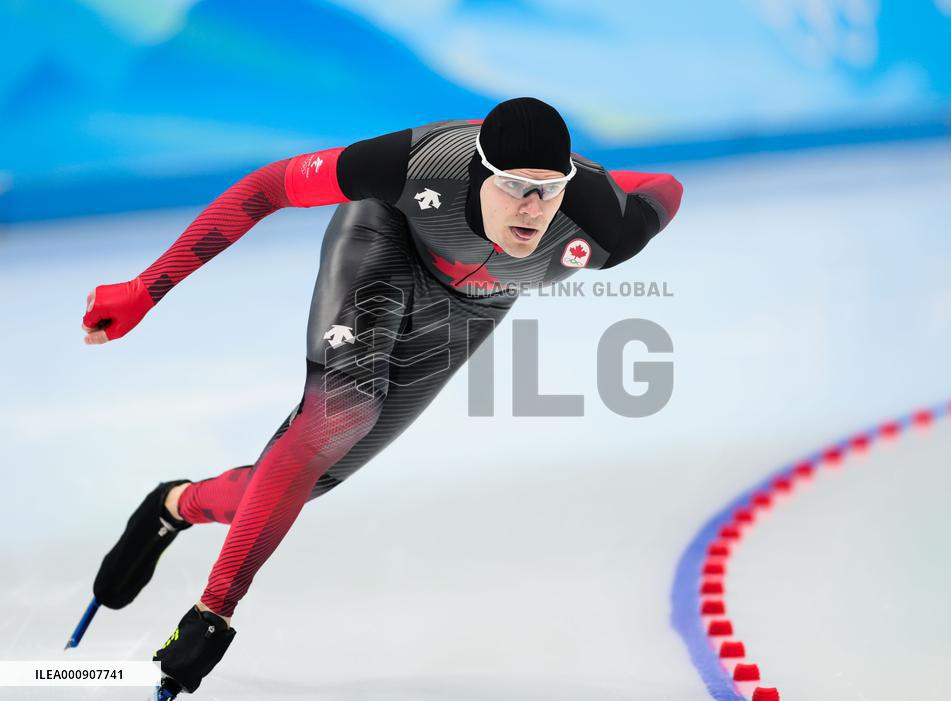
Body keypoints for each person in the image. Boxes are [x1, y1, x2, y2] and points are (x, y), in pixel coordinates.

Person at [81, 97, 683, 696]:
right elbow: (268, 186)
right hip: (384, 242)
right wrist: (147, 287)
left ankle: (176, 506)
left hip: (475, 304)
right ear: (479, 168)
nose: (532, 209)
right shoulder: (416, 162)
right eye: (514, 186)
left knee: (304, 482)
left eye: (548, 190)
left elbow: (665, 185)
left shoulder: (604, 224)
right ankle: (213, 607)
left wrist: (597, 178)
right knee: (339, 417)